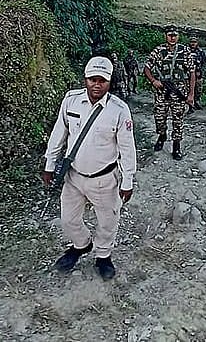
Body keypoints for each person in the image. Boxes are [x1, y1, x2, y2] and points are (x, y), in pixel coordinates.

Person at [42, 56, 137, 280]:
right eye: (92, 79)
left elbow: (127, 147)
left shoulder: (119, 110)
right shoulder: (71, 101)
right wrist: (49, 163)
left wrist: (127, 179)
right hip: (74, 176)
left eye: (102, 80)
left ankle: (103, 256)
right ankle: (81, 245)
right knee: (68, 219)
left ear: (109, 82)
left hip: (104, 179)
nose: (96, 84)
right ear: (85, 79)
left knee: (107, 220)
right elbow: (59, 134)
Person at [143, 25, 196, 159]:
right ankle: (162, 135)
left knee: (178, 119)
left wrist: (191, 94)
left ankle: (176, 146)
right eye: (169, 35)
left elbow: (192, 73)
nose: (172, 38)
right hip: (162, 90)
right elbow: (147, 68)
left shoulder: (185, 51)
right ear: (165, 36)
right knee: (159, 117)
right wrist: (153, 81)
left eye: (175, 35)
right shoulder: (158, 51)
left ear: (178, 36)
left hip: (179, 91)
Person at [189, 37, 206, 110]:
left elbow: (204, 62)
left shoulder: (200, 52)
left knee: (198, 90)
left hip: (198, 74)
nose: (193, 43)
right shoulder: (186, 51)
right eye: (191, 42)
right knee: (189, 90)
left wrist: (200, 71)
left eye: (194, 42)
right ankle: (190, 106)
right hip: (188, 75)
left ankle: (196, 102)